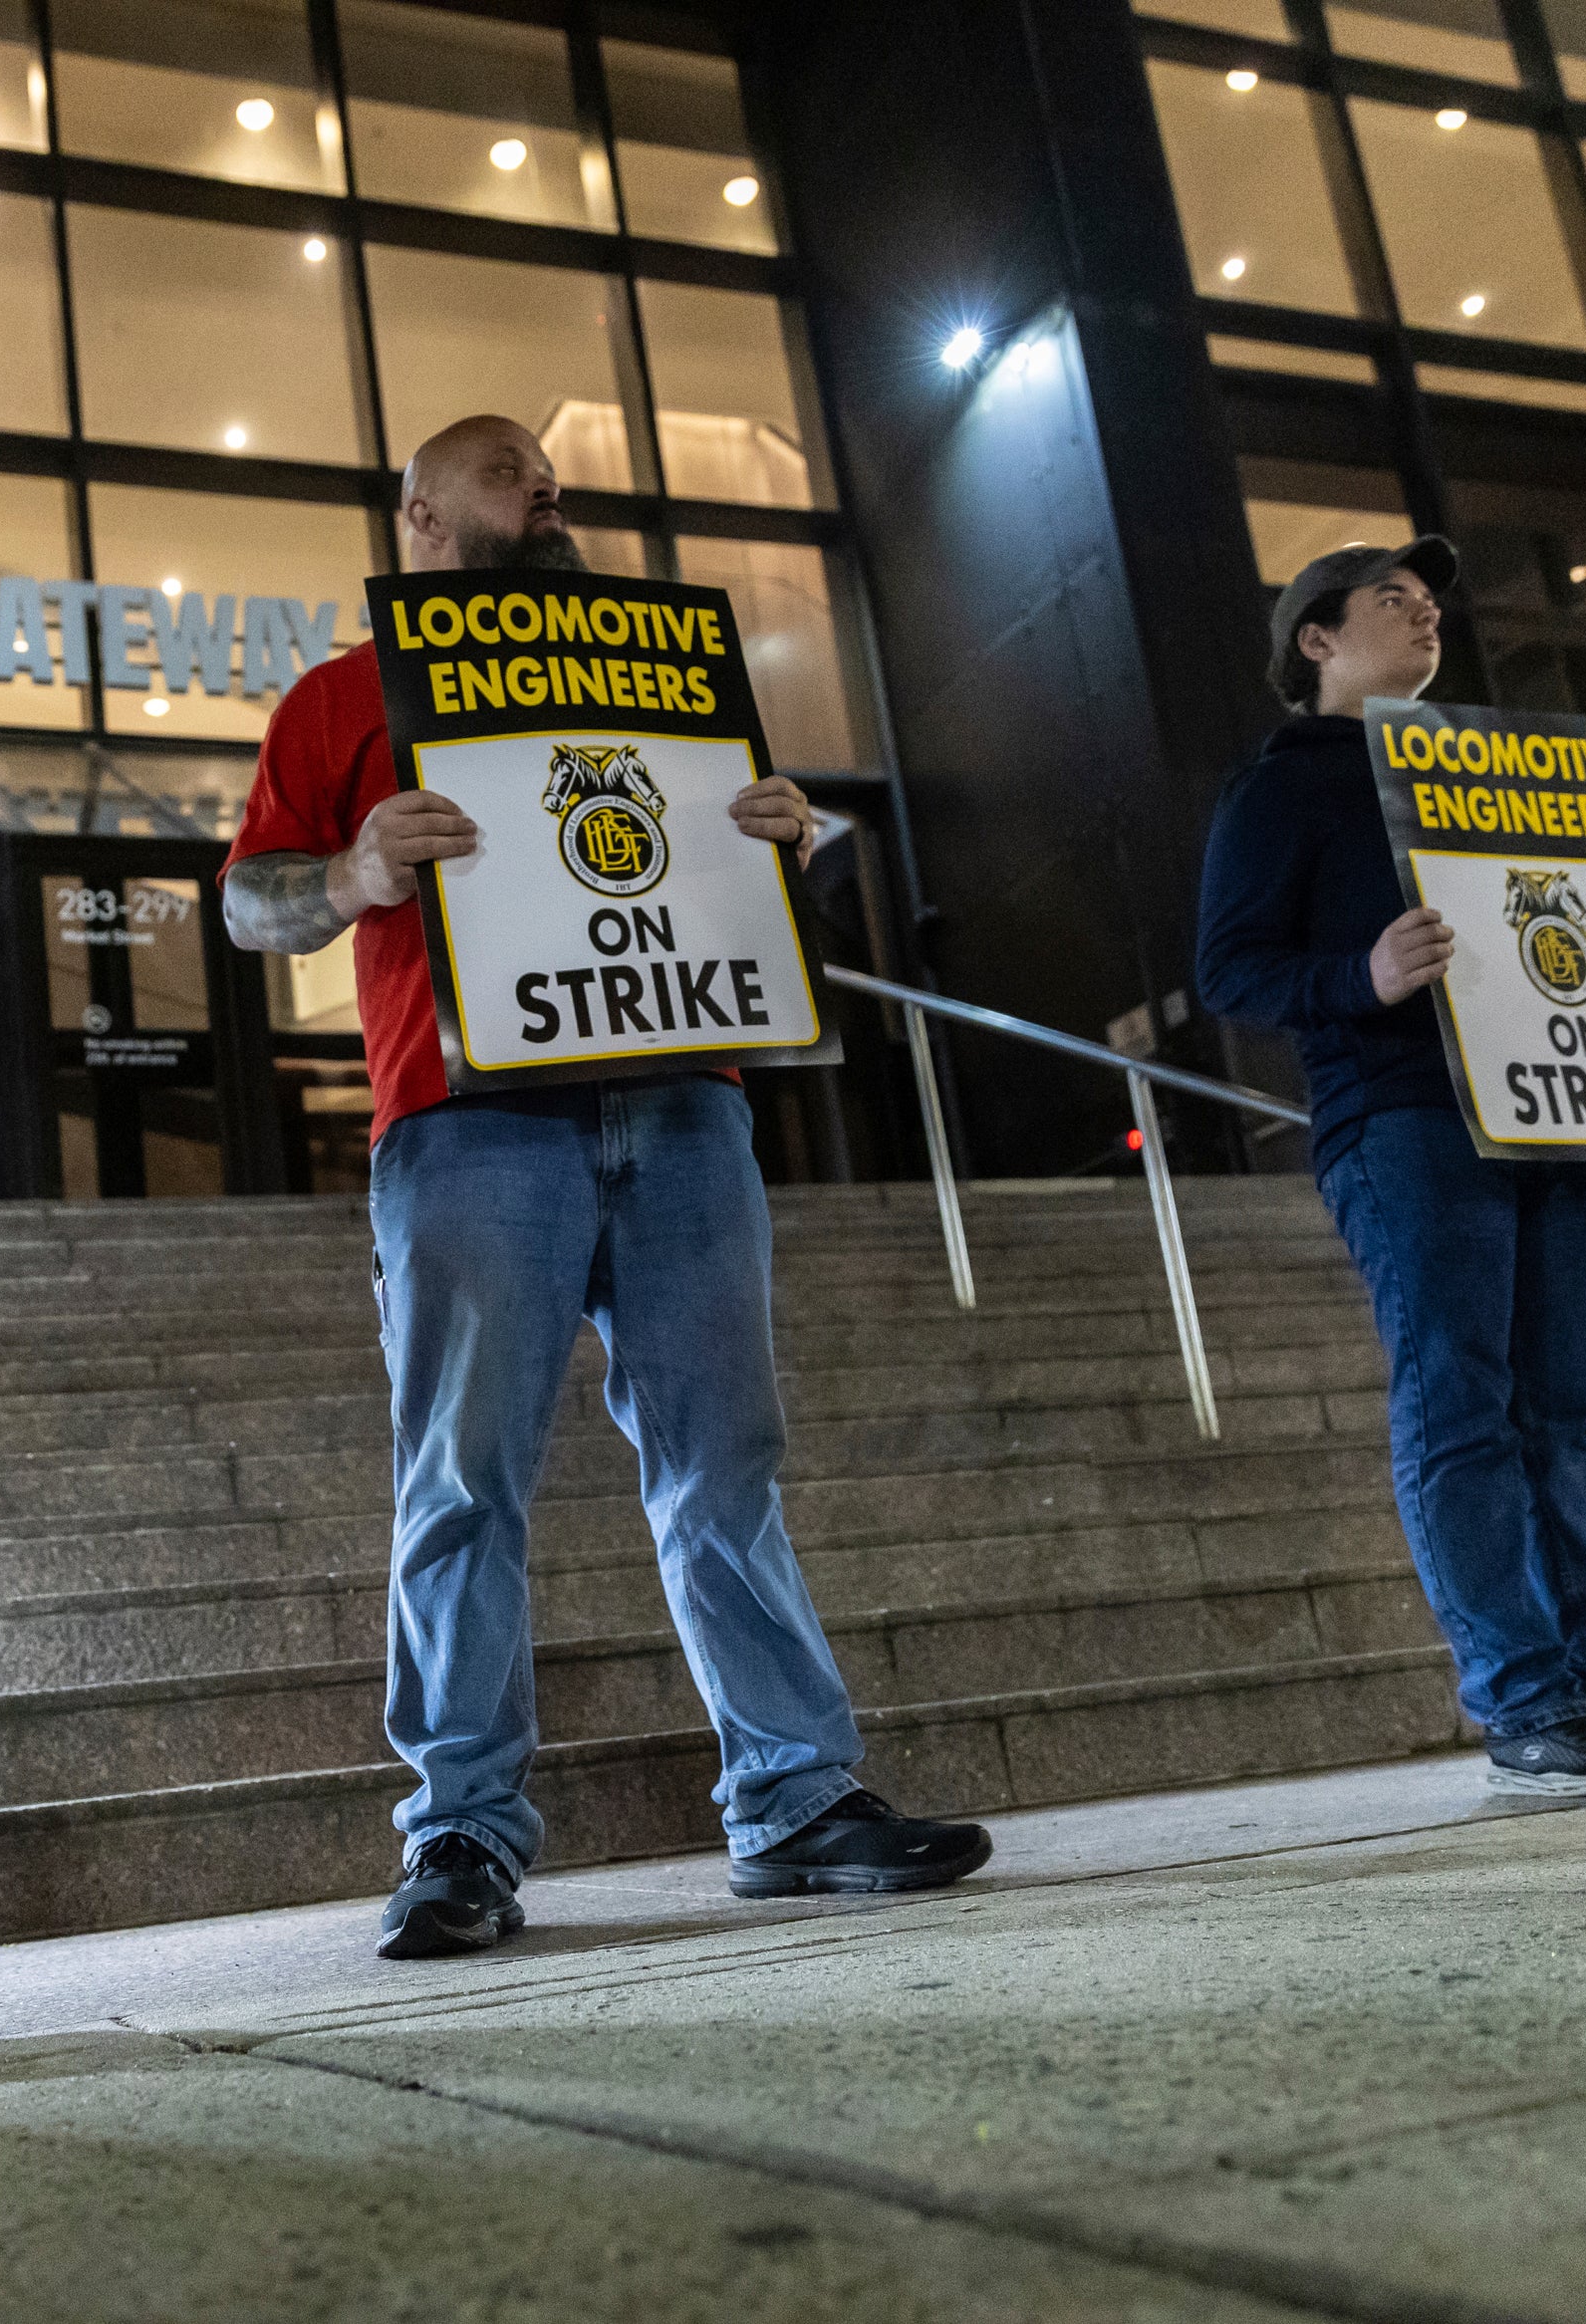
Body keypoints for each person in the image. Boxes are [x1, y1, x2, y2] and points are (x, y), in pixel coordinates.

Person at [222, 414, 992, 1958]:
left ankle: (794, 1797)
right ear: (422, 512)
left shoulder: (661, 673)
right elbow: (250, 904)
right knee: (462, 1483)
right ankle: (458, 1831)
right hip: (462, 1122)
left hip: (682, 1102)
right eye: (510, 470)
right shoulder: (336, 696)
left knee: (724, 1459)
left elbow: (719, 867)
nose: (547, 489)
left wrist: (787, 843)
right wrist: (358, 874)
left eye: (548, 475)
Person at [1194, 538, 1586, 1798]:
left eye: (1432, 603)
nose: (1424, 617)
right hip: (1407, 1118)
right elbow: (1229, 969)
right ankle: (1523, 1698)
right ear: (1314, 639)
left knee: (1571, 1411)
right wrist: (1361, 974)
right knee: (1459, 1405)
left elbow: (1563, 923)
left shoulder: (1507, 771)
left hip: (1561, 1108)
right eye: (1390, 602)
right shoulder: (1281, 787)